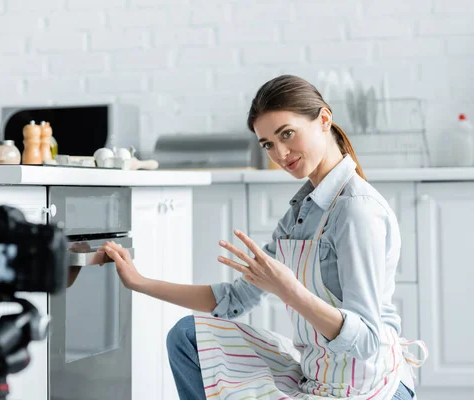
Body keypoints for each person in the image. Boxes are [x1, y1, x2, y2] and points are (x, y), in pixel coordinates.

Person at [99, 75, 428, 399]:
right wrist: (138, 282)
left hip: (369, 388)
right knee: (188, 336)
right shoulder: (298, 215)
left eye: (287, 134)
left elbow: (367, 340)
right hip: (317, 375)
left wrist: (289, 290)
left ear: (324, 119)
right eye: (269, 144)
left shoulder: (357, 209)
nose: (281, 153)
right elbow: (234, 299)